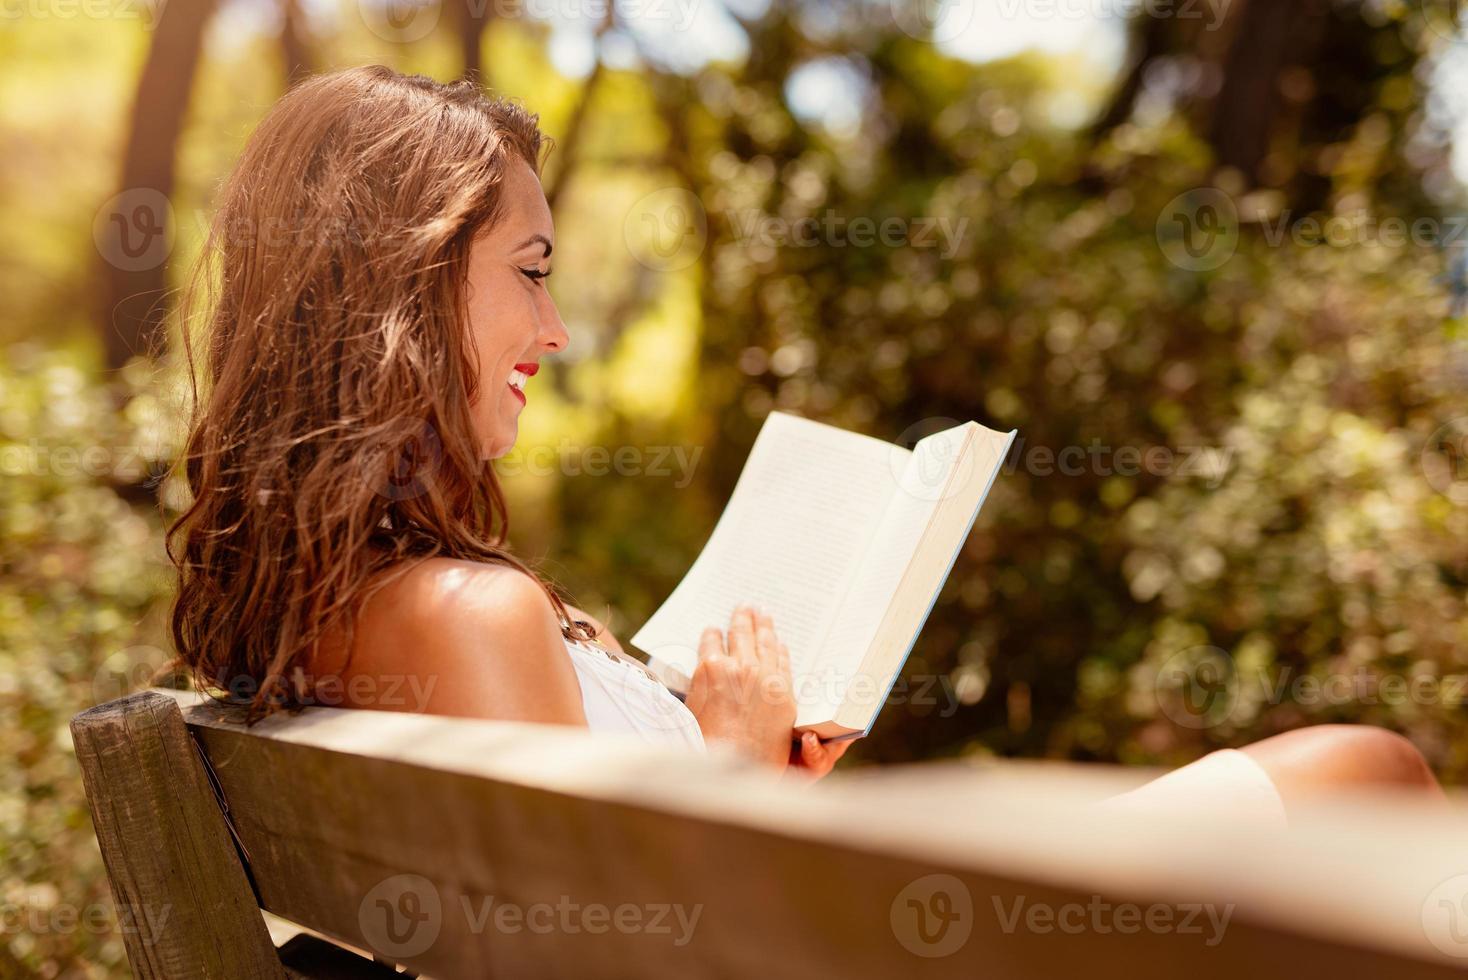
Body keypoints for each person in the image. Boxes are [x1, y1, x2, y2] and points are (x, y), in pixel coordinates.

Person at [168, 66, 1446, 818]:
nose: (553, 328)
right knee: (1365, 771)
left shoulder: (328, 610)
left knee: (1346, 773)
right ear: (408, 288)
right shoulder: (461, 613)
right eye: (533, 271)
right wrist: (732, 761)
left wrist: (759, 764)